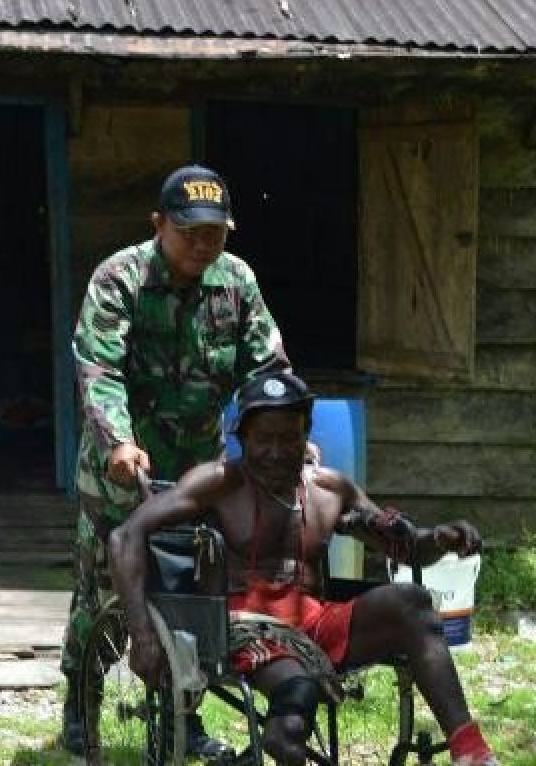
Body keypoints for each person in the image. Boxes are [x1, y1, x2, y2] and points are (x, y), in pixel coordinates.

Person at [108, 373, 499, 766]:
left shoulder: (330, 490)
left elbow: (402, 545)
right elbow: (124, 538)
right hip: (243, 628)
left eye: (288, 438)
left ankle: (470, 751)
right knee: (297, 692)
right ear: (241, 437)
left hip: (312, 620)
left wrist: (441, 539)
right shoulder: (219, 484)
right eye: (264, 439)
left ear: (306, 433)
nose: (276, 451)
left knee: (412, 602)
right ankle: (282, 738)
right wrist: (142, 636)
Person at [61, 164, 291, 757]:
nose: (202, 245)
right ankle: (81, 701)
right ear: (159, 224)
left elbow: (267, 369)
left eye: (214, 233)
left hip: (196, 470)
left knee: (200, 589)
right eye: (189, 232)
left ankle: (184, 715)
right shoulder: (119, 279)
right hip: (124, 469)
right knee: (105, 586)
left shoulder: (237, 281)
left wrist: (284, 433)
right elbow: (99, 370)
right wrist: (117, 441)